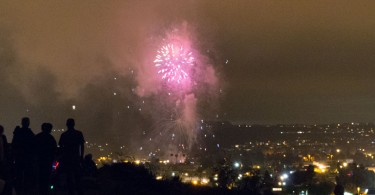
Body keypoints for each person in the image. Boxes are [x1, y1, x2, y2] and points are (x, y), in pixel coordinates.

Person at [58, 118, 85, 194]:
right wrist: (81, 156)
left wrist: (61, 156)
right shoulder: (78, 133)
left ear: (67, 124)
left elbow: (61, 147)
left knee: (69, 177)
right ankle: (79, 191)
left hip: (67, 159)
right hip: (76, 158)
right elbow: (82, 146)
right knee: (77, 177)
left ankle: (71, 192)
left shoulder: (64, 135)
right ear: (74, 124)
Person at [11, 117, 35, 194]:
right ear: (28, 123)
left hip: (19, 157)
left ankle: (19, 190)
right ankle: (26, 190)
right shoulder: (29, 133)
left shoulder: (18, 132)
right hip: (27, 158)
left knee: (19, 175)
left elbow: (14, 144)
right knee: (27, 176)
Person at [35, 123, 57, 195]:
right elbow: (54, 151)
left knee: (39, 178)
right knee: (46, 178)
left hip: (39, 161)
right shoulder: (51, 138)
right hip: (47, 161)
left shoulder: (38, 137)